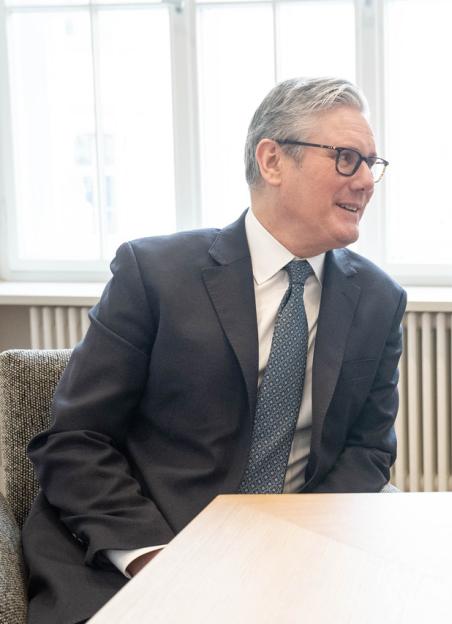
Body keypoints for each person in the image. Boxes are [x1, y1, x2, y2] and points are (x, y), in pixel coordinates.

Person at [22, 77, 405, 623]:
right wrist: (154, 559)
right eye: (346, 158)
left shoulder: (379, 300)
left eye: (371, 163)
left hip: (294, 564)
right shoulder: (154, 274)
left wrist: (300, 546)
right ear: (272, 160)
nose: (366, 181)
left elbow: (368, 450)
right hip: (142, 554)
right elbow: (76, 440)